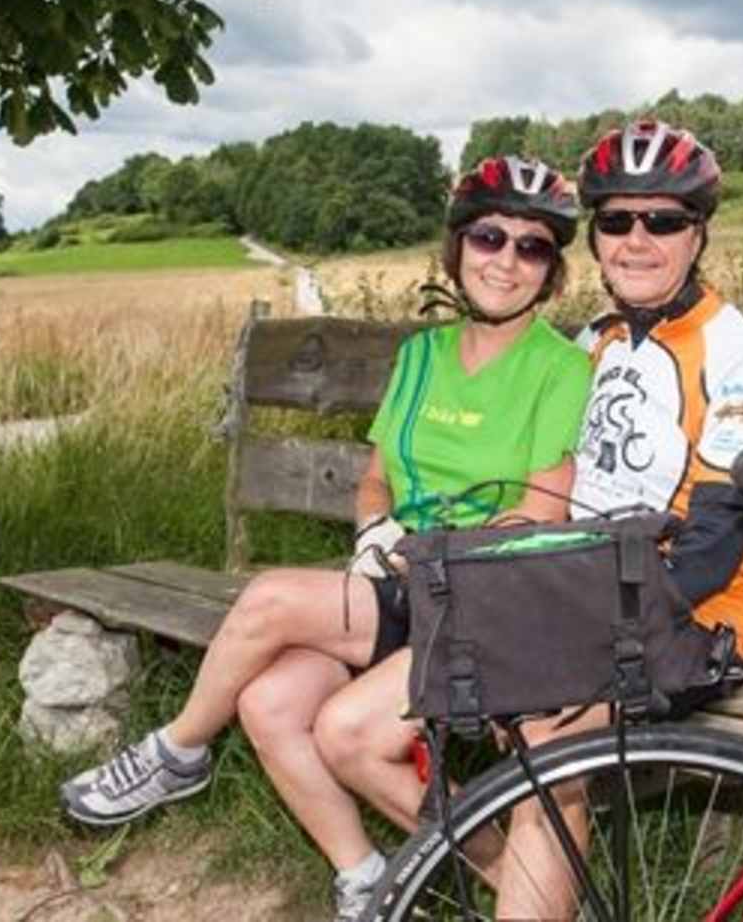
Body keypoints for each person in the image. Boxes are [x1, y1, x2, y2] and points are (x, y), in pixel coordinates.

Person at [58, 156, 593, 921]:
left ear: (552, 274)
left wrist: (425, 554)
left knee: (271, 596)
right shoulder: (420, 358)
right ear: (458, 248)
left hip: (477, 594)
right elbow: (377, 479)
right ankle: (370, 875)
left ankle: (176, 752)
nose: (505, 260)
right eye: (488, 236)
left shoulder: (560, 369)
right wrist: (375, 527)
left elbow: (545, 513)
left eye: (531, 247)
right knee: (271, 703)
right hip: (395, 580)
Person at [318, 118, 743, 918]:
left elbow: (713, 547)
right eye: (617, 221)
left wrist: (582, 631)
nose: (637, 241)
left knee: (546, 741)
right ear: (597, 238)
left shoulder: (740, 356)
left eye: (664, 221)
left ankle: (540, 895)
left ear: (698, 234)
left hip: (690, 616)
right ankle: (536, 888)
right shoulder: (593, 345)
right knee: (347, 734)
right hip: (559, 591)